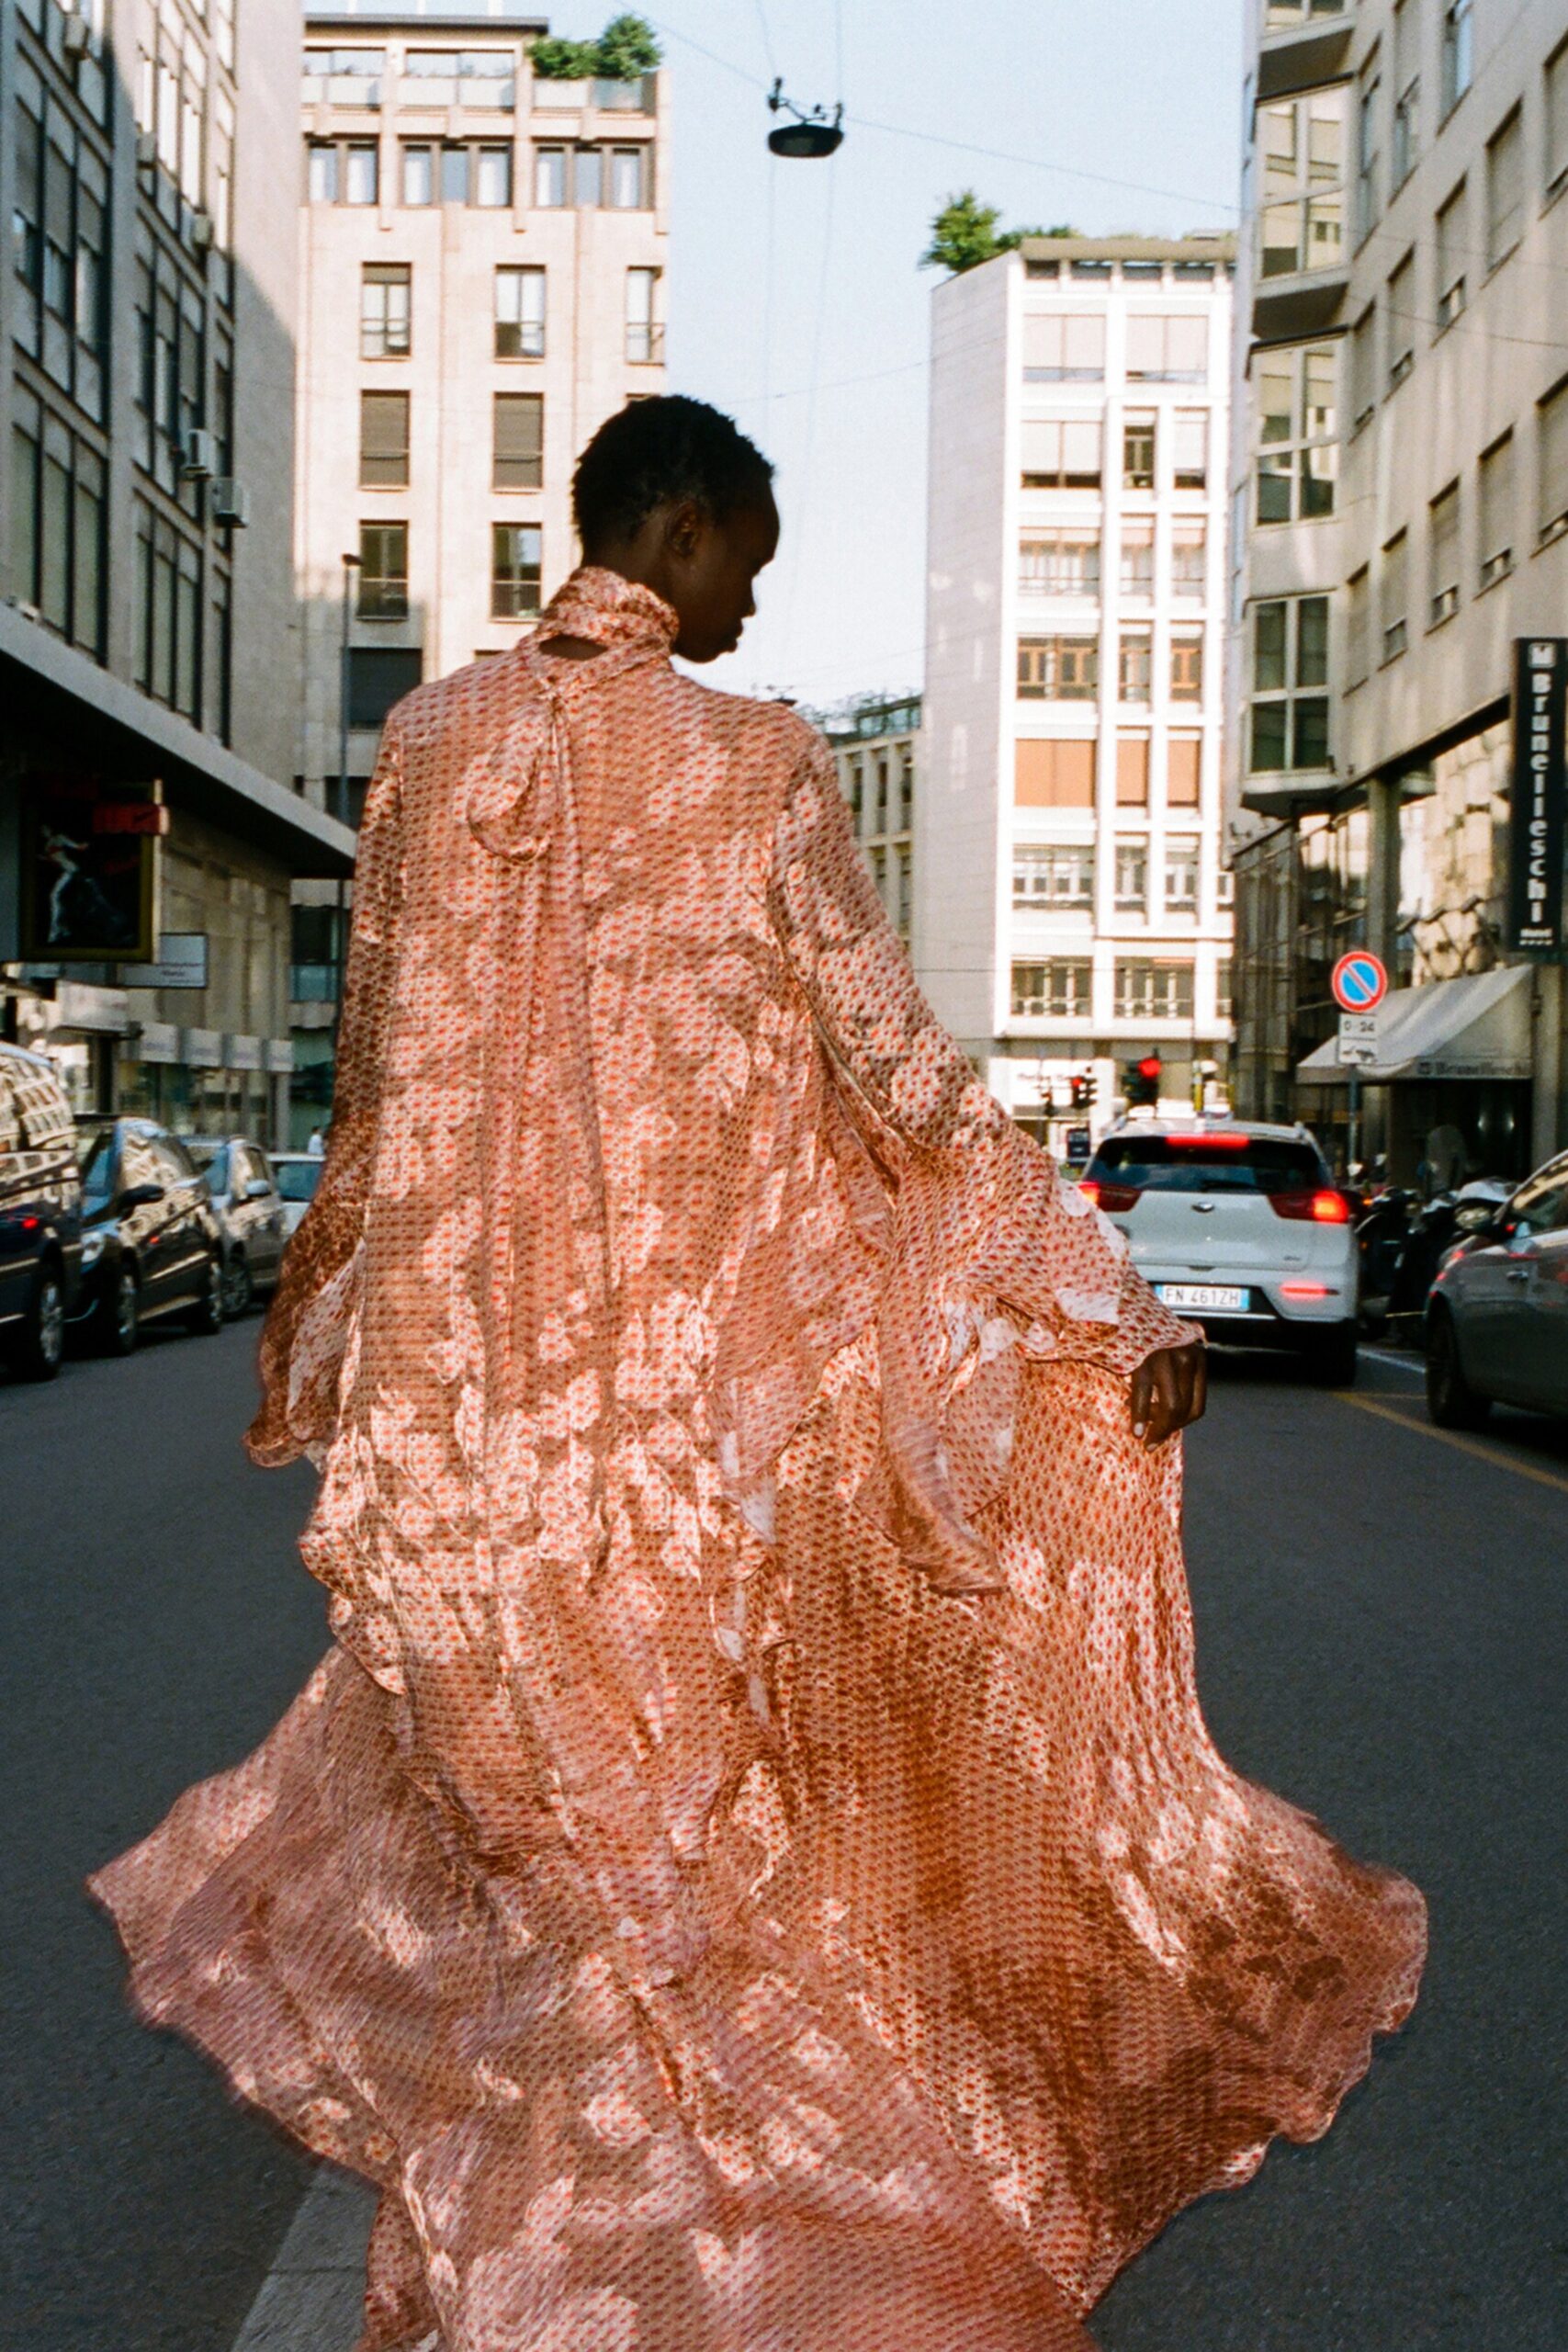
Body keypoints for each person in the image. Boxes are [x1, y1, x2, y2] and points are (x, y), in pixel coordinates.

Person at [87, 398, 1425, 2352]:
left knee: (554, 1925)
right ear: (690, 525)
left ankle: (529, 2285)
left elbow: (373, 1083)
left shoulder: (428, 741)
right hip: (695, 1469)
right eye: (753, 559)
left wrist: (326, 1372)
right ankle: (684, 2286)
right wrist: (1100, 1298)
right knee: (691, 1926)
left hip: (461, 1471)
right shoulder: (756, 760)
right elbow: (896, 1078)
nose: (751, 601)